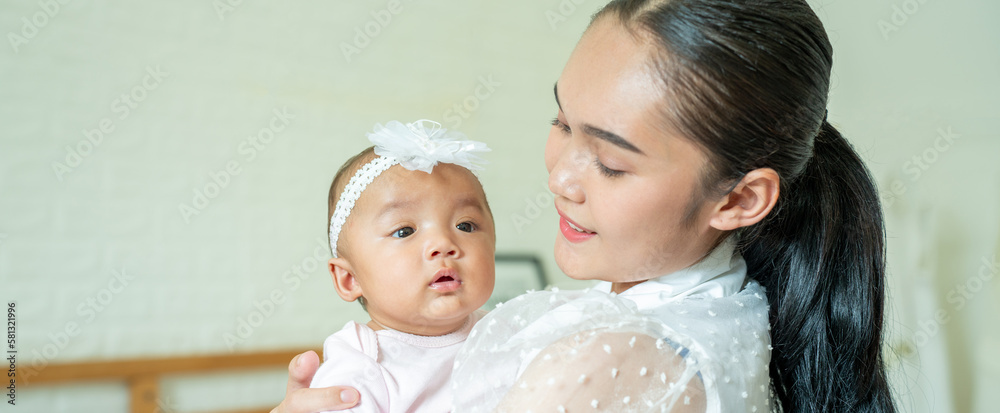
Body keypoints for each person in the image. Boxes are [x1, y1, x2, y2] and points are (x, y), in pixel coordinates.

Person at [273, 0, 896, 411]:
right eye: (562, 121)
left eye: (611, 162)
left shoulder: (597, 365)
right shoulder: (735, 307)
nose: (562, 178)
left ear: (738, 198)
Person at [308, 119, 496, 412]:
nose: (443, 243)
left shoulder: (505, 330)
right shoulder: (362, 364)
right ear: (349, 279)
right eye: (404, 231)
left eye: (466, 225)